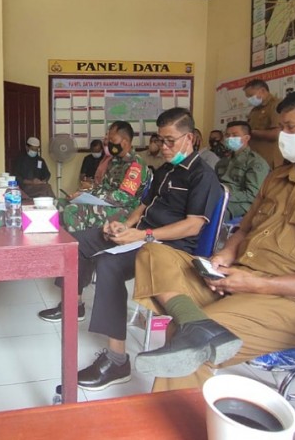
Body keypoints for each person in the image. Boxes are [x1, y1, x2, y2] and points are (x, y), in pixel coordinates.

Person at [132, 86, 295, 393]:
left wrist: (258, 285)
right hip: (238, 281)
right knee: (154, 252)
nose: (283, 136)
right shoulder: (278, 177)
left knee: (191, 348)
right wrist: (224, 256)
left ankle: (194, 332)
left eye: (291, 128)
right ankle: (193, 320)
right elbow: (244, 230)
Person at [39, 109, 222, 391]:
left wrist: (144, 234)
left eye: (170, 140)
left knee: (108, 265)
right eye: (160, 140)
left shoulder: (202, 176)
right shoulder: (164, 170)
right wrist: (123, 226)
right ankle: (72, 305)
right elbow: (142, 205)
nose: (164, 147)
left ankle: (116, 360)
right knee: (78, 242)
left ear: (191, 138)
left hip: (168, 248)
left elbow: (192, 227)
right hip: (141, 235)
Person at [57, 121, 150, 234]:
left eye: (112, 140)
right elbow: (102, 187)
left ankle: (80, 247)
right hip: (107, 204)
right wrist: (84, 194)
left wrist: (96, 196)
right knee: (59, 203)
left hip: (126, 211)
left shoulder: (135, 164)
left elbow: (124, 197)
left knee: (72, 211)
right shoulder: (114, 161)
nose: (109, 143)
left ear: (125, 142)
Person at [215, 120, 270, 220]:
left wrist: (225, 197)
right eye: (227, 135)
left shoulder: (255, 162)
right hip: (219, 198)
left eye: (234, 135)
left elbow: (252, 194)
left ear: (246, 138)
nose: (230, 138)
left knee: (215, 212)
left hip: (242, 204)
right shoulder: (222, 162)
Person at [244, 79, 283, 168]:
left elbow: (277, 134)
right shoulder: (254, 110)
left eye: (251, 96)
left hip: (269, 161)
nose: (249, 99)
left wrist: (252, 133)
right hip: (255, 160)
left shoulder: (276, 105)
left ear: (262, 90)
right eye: (247, 97)